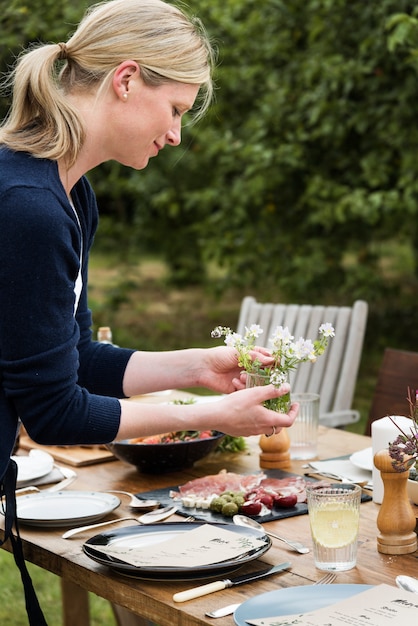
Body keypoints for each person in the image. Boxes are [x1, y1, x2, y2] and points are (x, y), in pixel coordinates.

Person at [0, 1, 297, 623]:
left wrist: (197, 367)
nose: (176, 135)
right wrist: (214, 415)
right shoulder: (27, 206)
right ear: (127, 79)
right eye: (176, 110)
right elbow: (53, 412)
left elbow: (75, 362)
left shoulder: (71, 194)